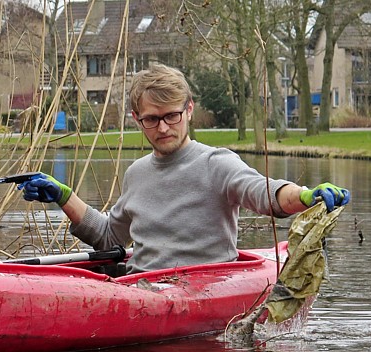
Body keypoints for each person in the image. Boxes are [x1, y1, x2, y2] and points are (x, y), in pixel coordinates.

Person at [18, 64, 351, 273]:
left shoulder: (216, 163)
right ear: (137, 119)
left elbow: (265, 194)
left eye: (171, 116)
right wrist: (64, 197)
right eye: (151, 119)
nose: (163, 128)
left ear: (188, 110)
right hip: (142, 285)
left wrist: (306, 195)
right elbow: (109, 238)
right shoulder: (136, 173)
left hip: (203, 286)